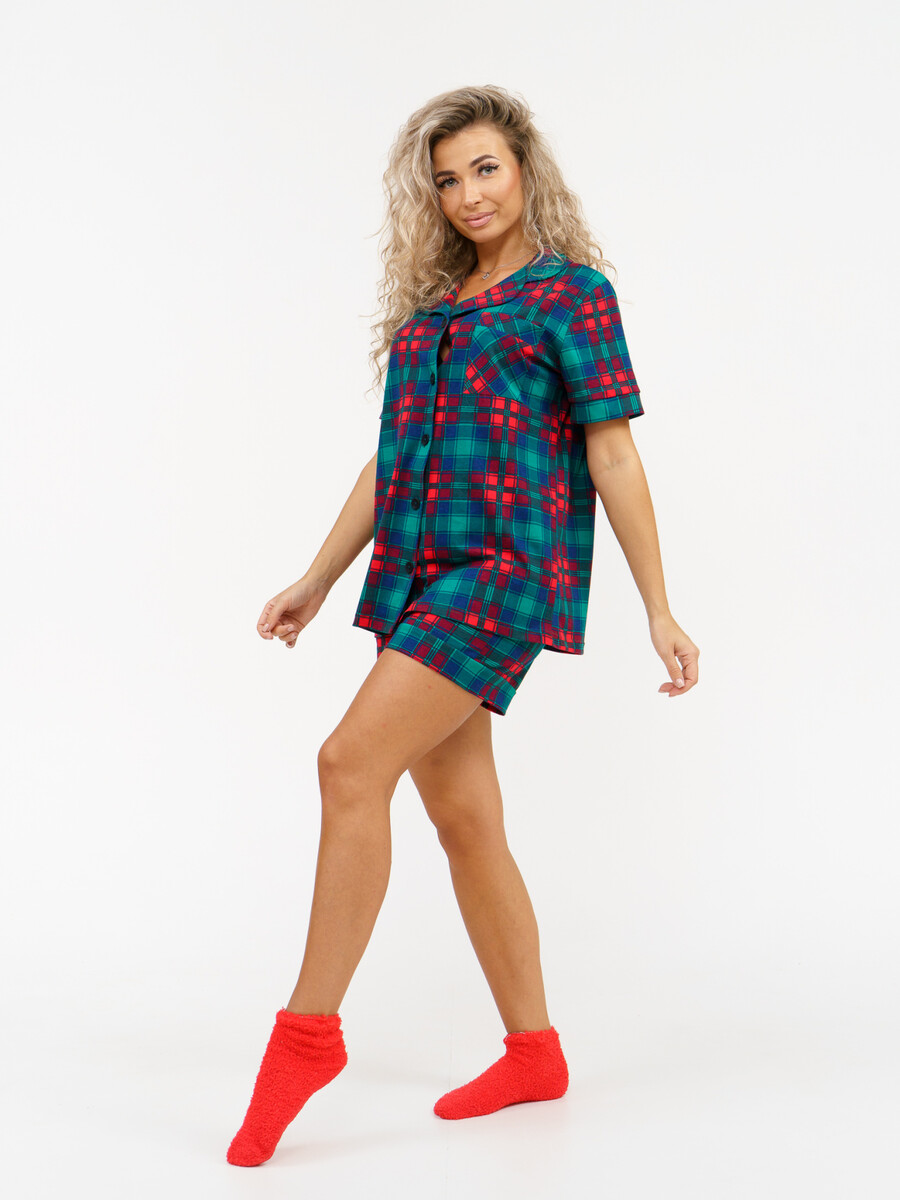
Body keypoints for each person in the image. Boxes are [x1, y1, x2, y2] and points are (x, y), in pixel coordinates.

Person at [226, 85, 700, 1168]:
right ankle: (535, 1053)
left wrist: (659, 605)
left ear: (525, 168)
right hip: (415, 574)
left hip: (502, 574)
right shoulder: (431, 315)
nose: (468, 194)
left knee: (349, 764)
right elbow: (388, 461)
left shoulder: (571, 296)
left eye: (485, 168)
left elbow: (612, 452)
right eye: (447, 180)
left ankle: (307, 1036)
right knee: (466, 820)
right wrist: (316, 577)